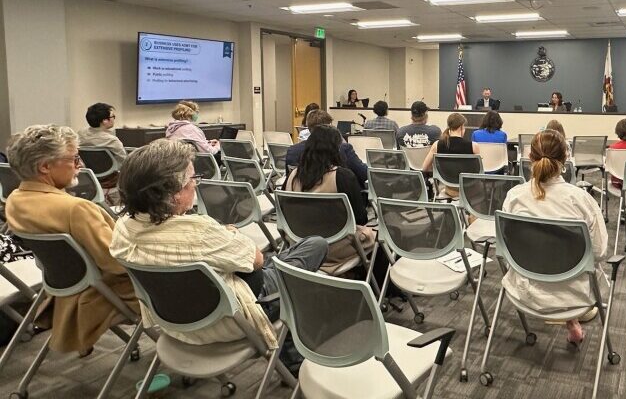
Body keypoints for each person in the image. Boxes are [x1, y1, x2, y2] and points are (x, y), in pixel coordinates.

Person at [111, 139, 327, 372]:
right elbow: (256, 260)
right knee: (314, 246)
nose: (196, 185)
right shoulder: (199, 232)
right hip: (233, 320)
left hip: (173, 322)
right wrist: (229, 235)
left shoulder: (122, 229)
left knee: (284, 260)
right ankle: (293, 358)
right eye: (192, 180)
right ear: (172, 194)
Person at [4, 125, 139, 355]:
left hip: (61, 292)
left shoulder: (15, 200)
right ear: (45, 166)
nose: (81, 166)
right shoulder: (76, 209)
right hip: (101, 296)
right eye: (75, 158)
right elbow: (117, 263)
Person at [500, 129, 607, 346]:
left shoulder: (514, 197)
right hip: (575, 296)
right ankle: (571, 320)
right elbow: (599, 252)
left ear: (530, 158)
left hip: (525, 291)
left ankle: (571, 321)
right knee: (568, 259)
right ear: (565, 158)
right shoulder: (580, 199)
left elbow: (506, 247)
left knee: (544, 252)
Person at [283, 125, 375, 275]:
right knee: (376, 237)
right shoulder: (342, 176)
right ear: (335, 149)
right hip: (335, 247)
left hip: (301, 244)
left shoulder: (292, 176)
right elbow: (360, 218)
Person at [285, 110, 367, 186]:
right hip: (337, 198)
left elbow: (290, 180)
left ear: (308, 127)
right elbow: (364, 174)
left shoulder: (292, 151)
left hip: (301, 199)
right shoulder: (343, 149)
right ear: (329, 127)